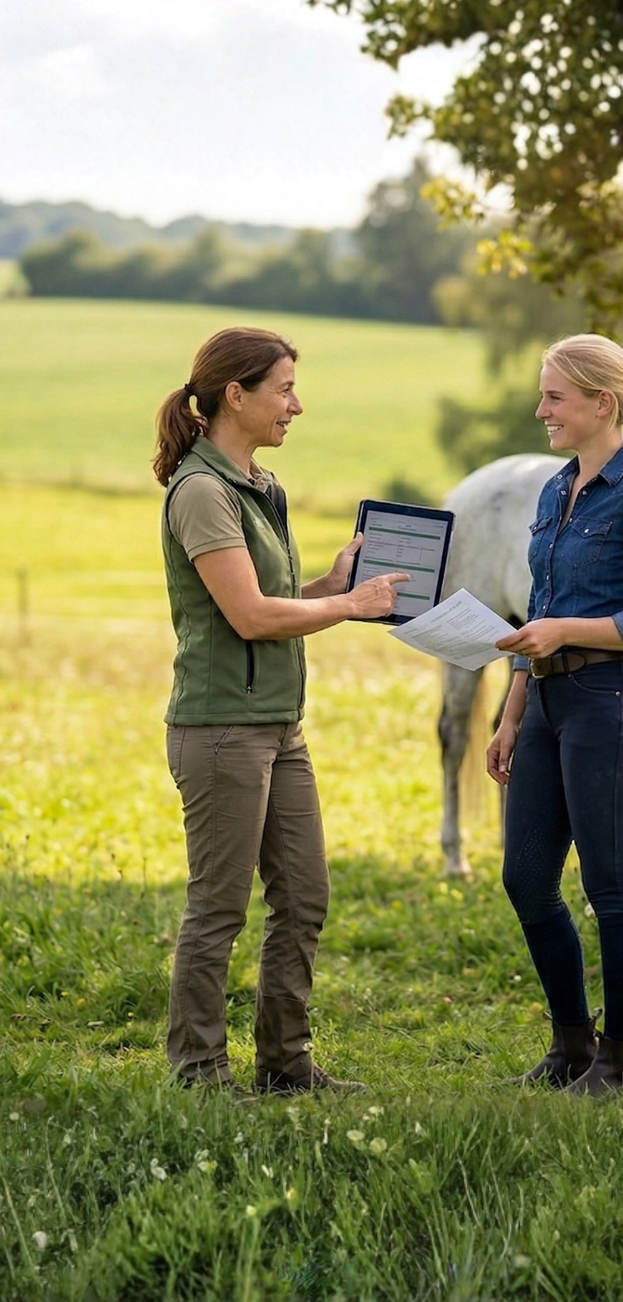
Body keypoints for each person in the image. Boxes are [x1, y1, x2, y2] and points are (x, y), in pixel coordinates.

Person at [153, 326, 408, 1094]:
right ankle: (198, 1073)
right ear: (238, 394)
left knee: (304, 894)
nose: (297, 404)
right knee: (219, 908)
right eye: (285, 388)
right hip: (221, 730)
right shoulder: (200, 493)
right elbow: (250, 618)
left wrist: (333, 586)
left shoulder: (262, 487)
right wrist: (355, 606)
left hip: (277, 727)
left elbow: (273, 601)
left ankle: (285, 1065)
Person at [487, 333, 623, 1095]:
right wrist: (511, 714)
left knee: (610, 888)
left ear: (601, 405)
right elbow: (539, 608)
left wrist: (567, 633)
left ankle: (619, 1062)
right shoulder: (555, 488)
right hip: (542, 703)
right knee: (527, 880)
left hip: (609, 706)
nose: (542, 411)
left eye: (554, 398)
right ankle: (571, 1047)